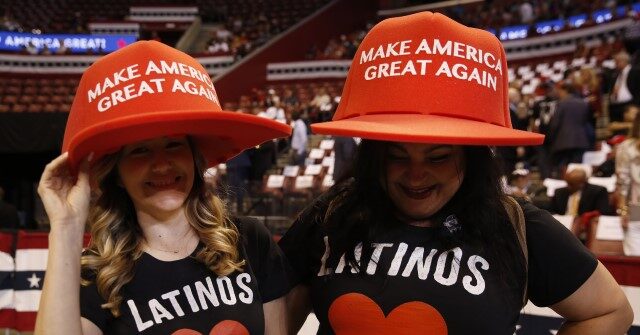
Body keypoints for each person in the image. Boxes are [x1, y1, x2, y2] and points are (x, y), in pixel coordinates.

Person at [278, 12, 633, 334]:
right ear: (374, 157)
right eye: (396, 155)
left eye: (439, 157)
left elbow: (609, 311)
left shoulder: (515, 225)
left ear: (471, 157)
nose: (415, 176)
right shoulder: (333, 215)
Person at [34, 41, 293, 335]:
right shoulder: (98, 273)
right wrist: (66, 227)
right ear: (116, 173)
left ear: (195, 160)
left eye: (173, 145)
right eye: (140, 151)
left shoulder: (249, 240)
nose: (161, 165)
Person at [549, 168, 613, 216]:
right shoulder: (559, 192)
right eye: (568, 183)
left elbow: (603, 211)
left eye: (572, 184)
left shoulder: (598, 191)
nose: (568, 187)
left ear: (582, 183)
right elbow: (551, 211)